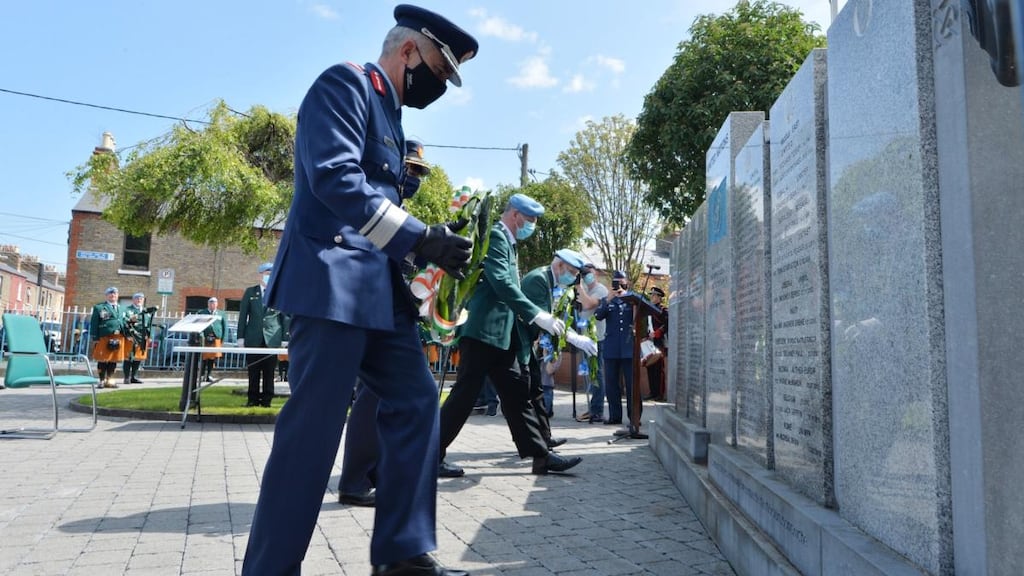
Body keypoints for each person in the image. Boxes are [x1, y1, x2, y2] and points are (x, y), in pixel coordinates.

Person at [242, 5, 477, 576]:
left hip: (377, 292)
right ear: (407, 53)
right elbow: (335, 178)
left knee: (418, 400)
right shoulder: (346, 82)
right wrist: (421, 239)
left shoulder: (392, 117)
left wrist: (427, 242)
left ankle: (402, 555)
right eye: (440, 73)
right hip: (331, 283)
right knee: (314, 430)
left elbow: (380, 204)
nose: (440, 86)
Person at [438, 194, 583, 479]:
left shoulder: (509, 243)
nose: (532, 225)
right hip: (482, 331)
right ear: (515, 215)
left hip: (499, 337)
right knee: (464, 397)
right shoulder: (496, 236)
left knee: (517, 395)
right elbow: (501, 282)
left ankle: (541, 457)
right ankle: (430, 455)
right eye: (530, 220)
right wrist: (535, 314)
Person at [520, 248, 598, 448]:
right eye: (571, 272)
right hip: (516, 343)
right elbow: (545, 321)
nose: (572, 277)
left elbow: (555, 320)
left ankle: (542, 442)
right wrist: (574, 339)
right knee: (521, 397)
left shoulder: (554, 284)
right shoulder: (538, 280)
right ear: (560, 265)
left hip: (526, 344)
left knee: (535, 391)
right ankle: (537, 445)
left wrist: (576, 336)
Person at [237, 262, 288, 408]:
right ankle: (252, 399)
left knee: (269, 372)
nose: (269, 277)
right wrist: (241, 337)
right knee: (253, 371)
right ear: (260, 275)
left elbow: (285, 317)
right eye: (266, 274)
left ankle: (266, 400)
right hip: (253, 337)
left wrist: (285, 338)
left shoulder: (279, 293)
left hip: (272, 338)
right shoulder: (251, 292)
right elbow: (243, 316)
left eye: (272, 274)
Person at [595, 270, 636, 427]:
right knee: (611, 384)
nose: (618, 285)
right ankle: (614, 416)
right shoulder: (608, 300)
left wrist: (626, 296)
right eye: (615, 282)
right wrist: (607, 299)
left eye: (621, 282)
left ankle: (634, 418)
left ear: (626, 283)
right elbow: (598, 315)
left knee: (632, 385)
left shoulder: (632, 299)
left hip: (629, 348)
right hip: (611, 348)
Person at [575, 263, 608, 423]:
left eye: (590, 273)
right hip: (585, 338)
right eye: (584, 273)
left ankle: (597, 411)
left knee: (597, 374)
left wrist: (578, 287)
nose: (587, 276)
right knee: (590, 374)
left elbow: (588, 304)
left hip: (598, 338)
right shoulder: (585, 290)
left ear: (595, 274)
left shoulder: (600, 290)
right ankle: (592, 408)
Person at [89, 286, 126, 388]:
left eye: (115, 293)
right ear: (106, 296)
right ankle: (101, 380)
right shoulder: (99, 307)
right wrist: (95, 337)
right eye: (110, 293)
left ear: (117, 296)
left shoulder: (122, 308)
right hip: (104, 336)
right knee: (102, 359)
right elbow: (94, 323)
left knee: (113, 360)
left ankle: (109, 380)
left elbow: (125, 322)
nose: (112, 295)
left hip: (119, 336)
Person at [122, 292, 153, 384]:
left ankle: (134, 377)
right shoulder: (127, 310)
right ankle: (126, 377)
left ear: (143, 300)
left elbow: (149, 325)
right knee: (128, 358)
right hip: (131, 337)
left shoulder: (146, 311)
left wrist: (149, 336)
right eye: (137, 298)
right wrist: (127, 335)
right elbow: (124, 323)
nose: (139, 300)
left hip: (142, 338)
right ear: (133, 300)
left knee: (138, 358)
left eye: (141, 299)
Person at [644, 286, 668, 401]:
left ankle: (659, 394)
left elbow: (666, 324)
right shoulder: (648, 309)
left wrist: (658, 332)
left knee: (659, 369)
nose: (652, 297)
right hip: (649, 341)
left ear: (659, 297)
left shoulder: (663, 310)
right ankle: (652, 392)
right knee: (650, 367)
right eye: (651, 295)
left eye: (654, 295)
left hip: (659, 341)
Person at [196, 297, 226, 383]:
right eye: (211, 302)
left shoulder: (221, 313)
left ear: (217, 304)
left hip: (216, 338)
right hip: (205, 338)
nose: (213, 304)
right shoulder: (202, 312)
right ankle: (201, 375)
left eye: (214, 302)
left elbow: (225, 327)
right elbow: (199, 325)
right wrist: (201, 336)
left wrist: (222, 339)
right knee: (204, 358)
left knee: (212, 358)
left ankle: (209, 375)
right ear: (208, 304)